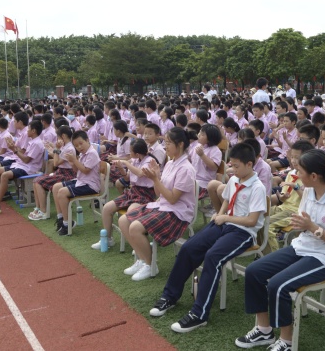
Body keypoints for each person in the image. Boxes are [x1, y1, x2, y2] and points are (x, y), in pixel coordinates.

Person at [235, 149, 325, 351]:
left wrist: (312, 227)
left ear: (313, 176)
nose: (296, 174)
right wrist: (302, 226)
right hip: (301, 247)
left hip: (323, 258)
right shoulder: (308, 192)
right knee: (254, 271)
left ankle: (287, 341)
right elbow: (305, 224)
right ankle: (264, 330)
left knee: (278, 284)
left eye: (300, 171)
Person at [149, 143, 267, 333]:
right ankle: (170, 296)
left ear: (250, 164)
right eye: (232, 165)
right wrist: (220, 214)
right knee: (188, 248)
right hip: (224, 223)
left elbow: (252, 221)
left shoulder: (258, 187)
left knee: (213, 256)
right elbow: (227, 199)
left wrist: (225, 217)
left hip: (243, 232)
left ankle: (199, 314)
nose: (233, 169)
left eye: (236, 166)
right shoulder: (234, 179)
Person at [119, 128, 197, 281]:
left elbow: (173, 199)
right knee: (123, 220)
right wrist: (156, 177)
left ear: (180, 144)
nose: (165, 146)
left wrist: (155, 179)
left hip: (177, 213)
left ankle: (150, 265)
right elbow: (158, 193)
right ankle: (142, 259)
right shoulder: (170, 163)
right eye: (165, 142)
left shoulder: (186, 169)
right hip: (163, 205)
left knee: (135, 227)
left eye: (168, 143)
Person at [92, 139, 156, 250]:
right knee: (107, 208)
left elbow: (140, 173)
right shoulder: (135, 160)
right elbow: (127, 178)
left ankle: (138, 247)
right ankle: (107, 239)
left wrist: (126, 163)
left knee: (131, 212)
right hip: (133, 192)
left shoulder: (149, 161)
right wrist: (121, 168)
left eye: (131, 151)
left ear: (137, 153)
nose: (129, 154)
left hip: (145, 195)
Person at [0, 119, 45, 217]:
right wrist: (14, 148)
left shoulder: (37, 143)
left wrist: (14, 150)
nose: (27, 130)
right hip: (21, 165)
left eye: (29, 129)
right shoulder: (33, 141)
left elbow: (26, 160)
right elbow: (24, 156)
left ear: (33, 131)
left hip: (28, 169)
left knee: (4, 175)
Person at [265, 141, 314, 253]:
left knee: (267, 225)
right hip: (283, 207)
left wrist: (295, 187)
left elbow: (309, 200)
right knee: (259, 216)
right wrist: (282, 197)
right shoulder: (291, 173)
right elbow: (283, 198)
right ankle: (262, 250)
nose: (293, 160)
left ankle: (272, 254)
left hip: (296, 211)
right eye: (292, 157)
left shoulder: (310, 177)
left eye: (297, 157)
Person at [51, 130, 102, 235]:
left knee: (61, 192)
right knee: (56, 187)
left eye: (81, 143)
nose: (79, 147)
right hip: (81, 181)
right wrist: (72, 163)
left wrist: (74, 160)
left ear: (87, 140)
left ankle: (67, 223)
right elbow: (77, 170)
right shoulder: (83, 154)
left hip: (90, 185)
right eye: (76, 146)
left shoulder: (92, 153)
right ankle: (61, 218)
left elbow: (85, 170)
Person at [28, 125, 77, 221]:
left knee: (38, 182)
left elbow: (55, 163)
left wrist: (56, 149)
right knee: (35, 181)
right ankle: (38, 208)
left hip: (67, 175)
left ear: (63, 136)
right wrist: (54, 149)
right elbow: (57, 158)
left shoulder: (69, 148)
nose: (57, 139)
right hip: (61, 172)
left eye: (58, 137)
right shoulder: (65, 146)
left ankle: (43, 211)